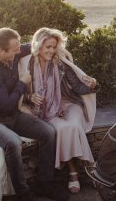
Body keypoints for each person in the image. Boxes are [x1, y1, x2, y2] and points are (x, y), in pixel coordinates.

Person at [0, 27, 68, 201]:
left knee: (49, 132)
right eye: (15, 49)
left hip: (13, 116)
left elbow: (35, 45)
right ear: (0, 50)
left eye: (19, 47)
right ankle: (23, 194)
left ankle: (45, 182)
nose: (20, 51)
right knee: (13, 143)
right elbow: (7, 106)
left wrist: (50, 43)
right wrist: (21, 83)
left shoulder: (12, 53)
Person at [19, 27, 97, 194]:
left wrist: (93, 85)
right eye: (48, 47)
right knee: (63, 128)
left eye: (54, 47)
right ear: (38, 45)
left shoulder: (60, 62)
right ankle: (76, 172)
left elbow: (77, 87)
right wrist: (30, 97)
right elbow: (20, 95)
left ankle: (84, 169)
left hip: (68, 103)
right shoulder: (28, 65)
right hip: (44, 110)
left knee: (75, 125)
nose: (52, 50)